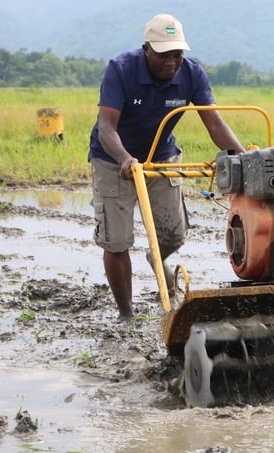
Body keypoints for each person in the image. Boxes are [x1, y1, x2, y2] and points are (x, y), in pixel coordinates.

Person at [88, 13, 246, 320]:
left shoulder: (192, 74)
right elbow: (106, 126)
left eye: (177, 54)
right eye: (164, 54)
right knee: (117, 241)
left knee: (174, 234)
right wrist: (124, 158)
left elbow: (214, 123)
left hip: (161, 156)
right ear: (147, 48)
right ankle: (126, 314)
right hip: (113, 159)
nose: (171, 62)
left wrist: (244, 156)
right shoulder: (120, 70)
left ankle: (155, 256)